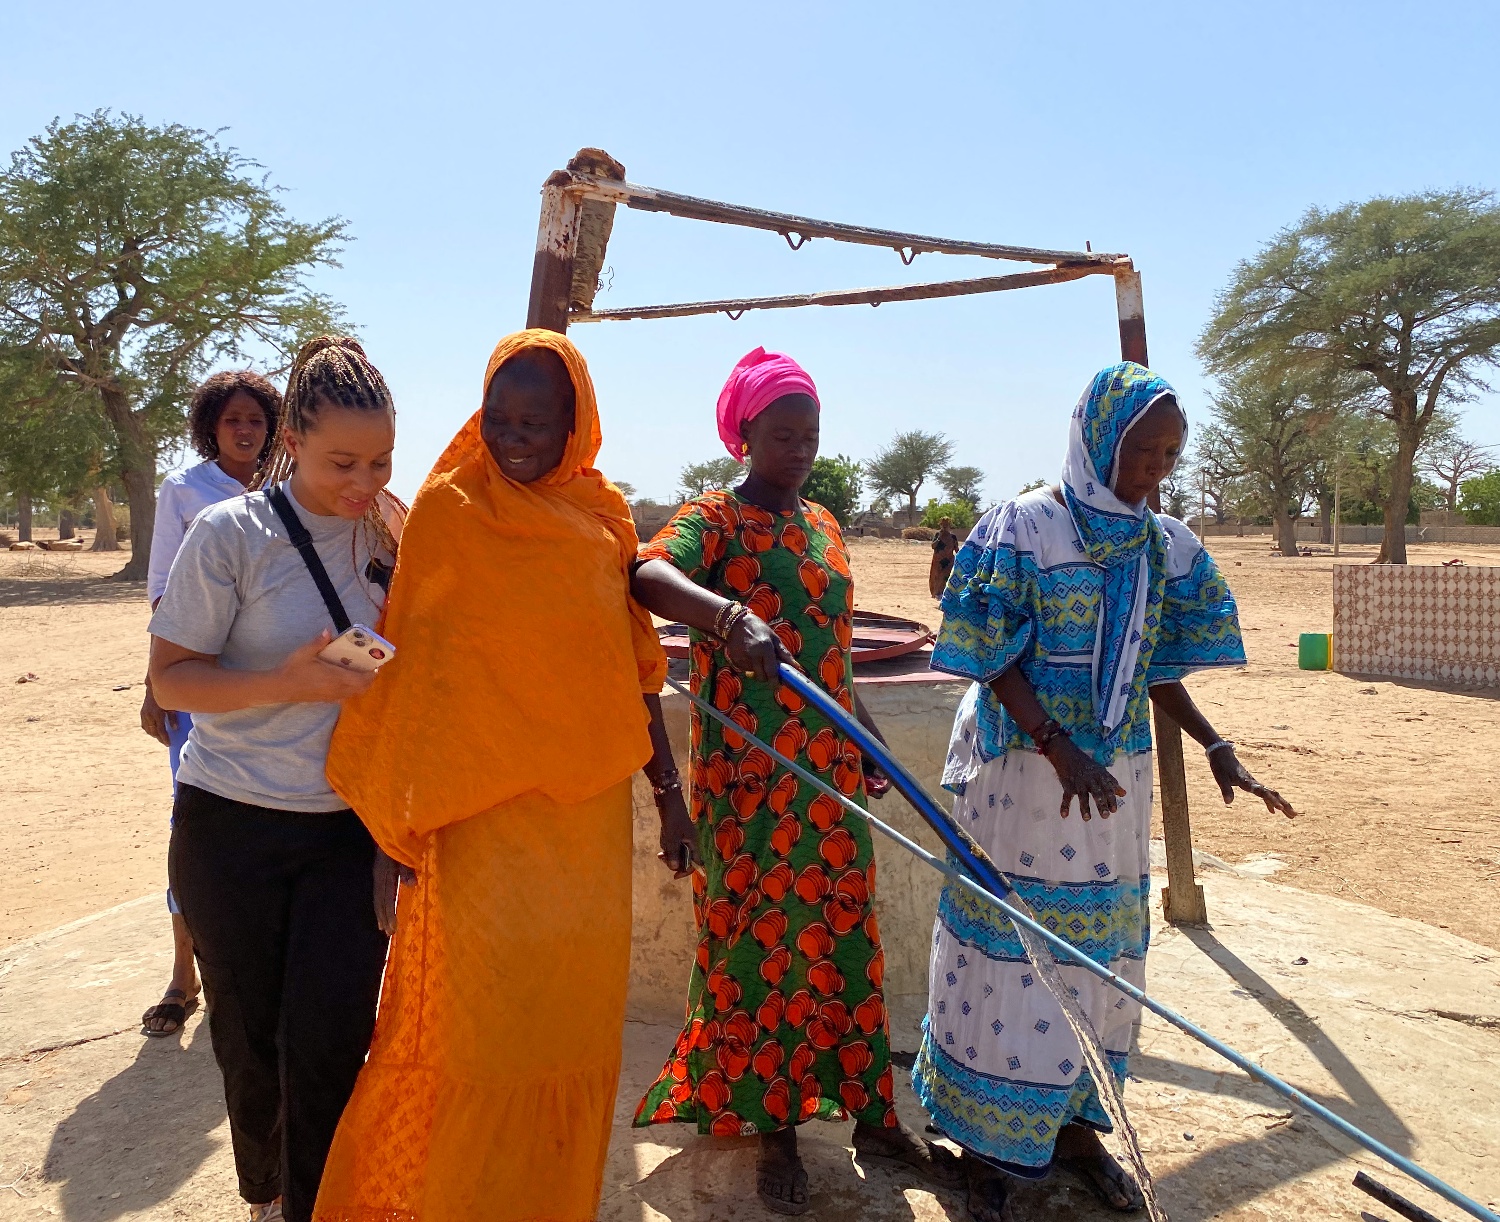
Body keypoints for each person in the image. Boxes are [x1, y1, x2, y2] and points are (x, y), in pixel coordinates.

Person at [312, 329, 690, 1222]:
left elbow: (634, 669)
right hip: (477, 824)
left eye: (538, 420)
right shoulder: (449, 510)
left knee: (564, 1032)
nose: (515, 434)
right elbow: (416, 670)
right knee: (479, 1039)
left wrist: (668, 796)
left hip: (582, 830)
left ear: (577, 427)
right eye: (500, 414)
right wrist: (390, 833)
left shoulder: (603, 519)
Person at [912, 363, 1296, 1221]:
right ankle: (989, 1144)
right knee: (1009, 954)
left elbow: (1154, 666)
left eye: (1169, 452)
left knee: (1101, 964)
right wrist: (1056, 746)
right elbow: (987, 645)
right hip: (1022, 775)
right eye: (1141, 448)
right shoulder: (1028, 525)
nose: (1154, 466)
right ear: (1097, 436)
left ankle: (1076, 1129)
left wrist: (1215, 745)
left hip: (1108, 788)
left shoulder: (1165, 545)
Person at [630, 347, 960, 1215]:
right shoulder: (715, 520)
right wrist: (727, 616)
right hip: (750, 781)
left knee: (844, 940)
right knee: (758, 948)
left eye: (810, 435)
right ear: (745, 435)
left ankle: (868, 1112)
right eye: (783, 435)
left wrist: (870, 740)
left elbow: (832, 649)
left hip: (829, 774)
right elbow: (644, 571)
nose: (800, 449)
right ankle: (769, 1126)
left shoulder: (823, 523)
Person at [148, 336, 407, 1222]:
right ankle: (263, 1192)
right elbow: (171, 678)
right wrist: (289, 682)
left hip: (345, 831)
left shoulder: (393, 532)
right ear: (292, 438)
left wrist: (392, 836)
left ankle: (313, 1206)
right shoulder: (231, 535)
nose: (362, 481)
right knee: (252, 1042)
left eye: (380, 460)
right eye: (342, 461)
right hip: (231, 828)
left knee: (332, 1038)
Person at [139, 370, 282, 1038]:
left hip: (279, 686)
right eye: (233, 421)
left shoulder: (289, 489)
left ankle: (252, 971)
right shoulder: (186, 493)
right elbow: (164, 594)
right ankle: (182, 972)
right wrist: (153, 684)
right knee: (192, 824)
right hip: (200, 684)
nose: (246, 431)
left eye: (256, 420)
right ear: (211, 427)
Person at [930, 515, 960, 599]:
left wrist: (960, 559)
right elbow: (933, 546)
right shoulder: (937, 535)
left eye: (946, 525)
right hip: (938, 561)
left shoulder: (953, 537)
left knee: (946, 577)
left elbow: (956, 549)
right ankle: (937, 594)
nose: (944, 527)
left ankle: (945, 594)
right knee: (937, 577)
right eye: (943, 525)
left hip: (949, 560)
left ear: (949, 526)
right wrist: (939, 538)